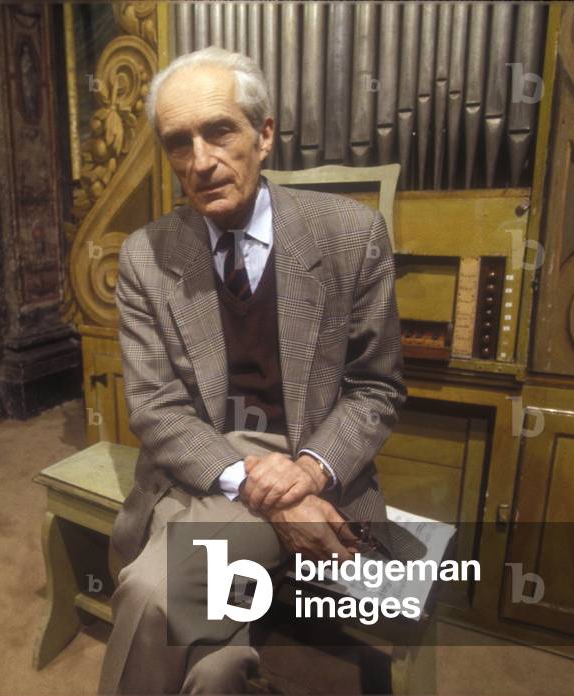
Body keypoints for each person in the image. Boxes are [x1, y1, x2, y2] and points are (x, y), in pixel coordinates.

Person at [99, 46, 407, 695]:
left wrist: (306, 472)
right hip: (200, 463)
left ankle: (228, 660)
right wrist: (262, 489)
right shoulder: (144, 257)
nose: (201, 161)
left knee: (155, 592)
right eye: (178, 143)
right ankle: (230, 666)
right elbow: (157, 408)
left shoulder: (353, 235)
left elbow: (376, 388)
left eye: (219, 130)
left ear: (264, 134)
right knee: (203, 657)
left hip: (308, 457)